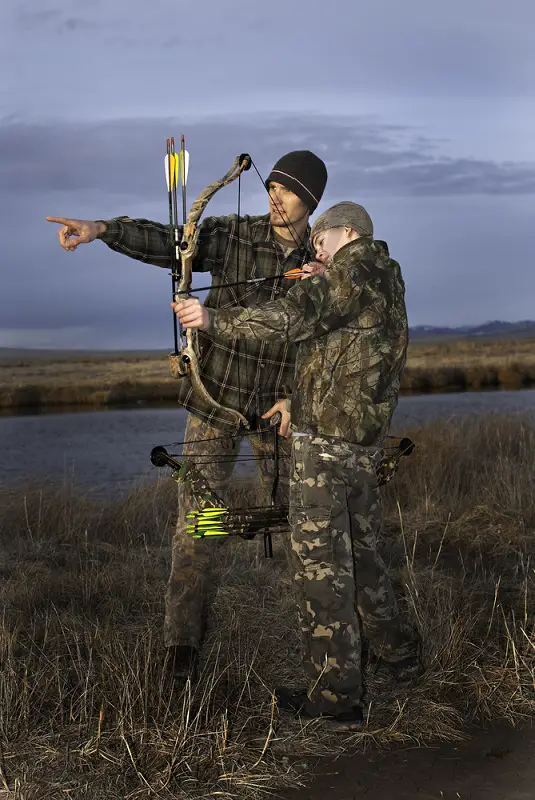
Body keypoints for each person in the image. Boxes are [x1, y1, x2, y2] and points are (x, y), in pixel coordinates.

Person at [46, 150, 328, 680]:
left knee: (302, 526)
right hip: (215, 403)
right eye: (269, 187)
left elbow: (326, 340)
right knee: (200, 526)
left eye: (286, 192)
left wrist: (297, 397)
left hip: (280, 413)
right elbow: (173, 240)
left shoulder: (323, 259)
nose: (274, 198)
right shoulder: (235, 235)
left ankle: (322, 644)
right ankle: (181, 651)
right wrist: (102, 229)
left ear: (310, 201)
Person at [173, 201, 422, 724]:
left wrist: (211, 317)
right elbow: (342, 352)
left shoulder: (352, 273)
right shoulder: (383, 277)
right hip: (358, 443)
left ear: (347, 232)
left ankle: (335, 699)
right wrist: (296, 401)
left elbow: (289, 318)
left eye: (322, 240)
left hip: (326, 448)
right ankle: (400, 658)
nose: (315, 248)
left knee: (321, 568)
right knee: (364, 554)